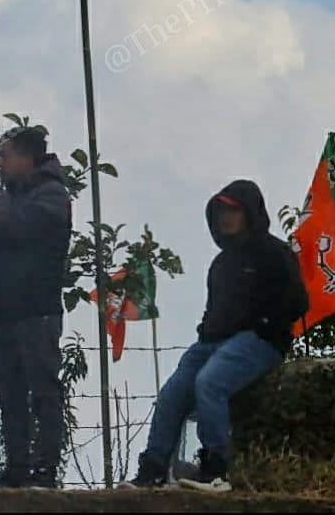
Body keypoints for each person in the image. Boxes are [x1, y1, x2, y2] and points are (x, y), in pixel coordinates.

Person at [122, 180, 308, 493]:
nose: (225, 217)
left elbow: (299, 303)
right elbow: (214, 309)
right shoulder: (220, 264)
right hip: (211, 342)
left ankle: (216, 470)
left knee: (210, 382)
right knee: (171, 393)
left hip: (260, 342)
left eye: (233, 210)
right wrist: (206, 332)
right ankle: (152, 471)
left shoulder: (275, 253)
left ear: (249, 212)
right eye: (220, 210)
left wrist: (264, 323)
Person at [0, 126, 72, 490]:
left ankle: (45, 469)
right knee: (8, 394)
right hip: (4, 309)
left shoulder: (54, 195)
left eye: (5, 156)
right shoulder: (5, 199)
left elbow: (21, 229)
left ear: (26, 158)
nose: (0, 164)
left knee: (43, 392)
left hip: (37, 310)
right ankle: (17, 467)